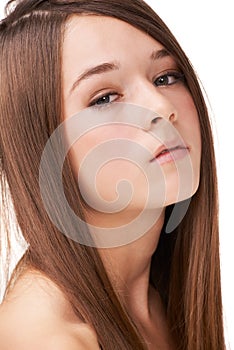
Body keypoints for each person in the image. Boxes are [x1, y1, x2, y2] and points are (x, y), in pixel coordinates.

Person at [0, 0, 226, 349]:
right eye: (105, 98)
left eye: (165, 77)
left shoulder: (160, 297)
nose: (162, 108)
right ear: (41, 144)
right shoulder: (48, 340)